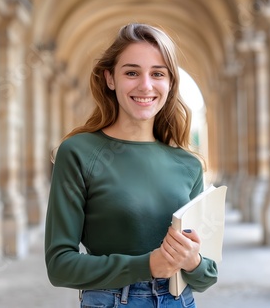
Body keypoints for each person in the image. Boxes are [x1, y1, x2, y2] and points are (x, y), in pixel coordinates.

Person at [44, 23, 217, 307]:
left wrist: (193, 261)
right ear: (110, 78)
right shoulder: (78, 153)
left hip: (180, 301)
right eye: (132, 72)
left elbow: (206, 277)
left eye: (158, 73)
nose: (145, 85)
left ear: (171, 82)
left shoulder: (188, 165)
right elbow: (60, 266)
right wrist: (147, 264)